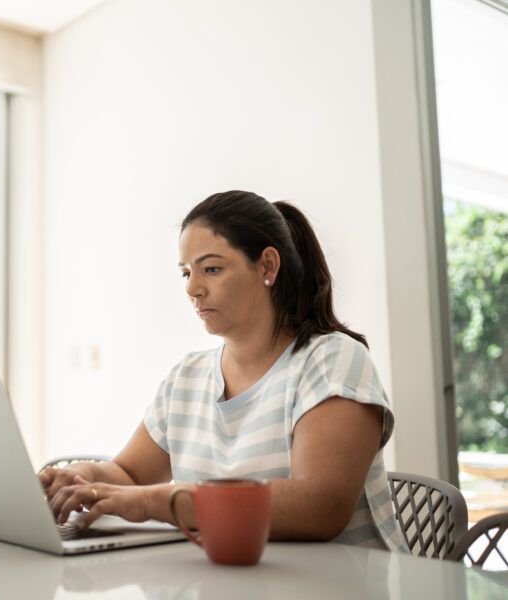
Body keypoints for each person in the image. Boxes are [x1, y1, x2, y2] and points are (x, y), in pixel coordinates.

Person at [39, 190, 404, 551]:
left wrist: (159, 501)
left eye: (211, 269)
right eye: (186, 273)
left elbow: (319, 508)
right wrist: (85, 477)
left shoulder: (333, 361)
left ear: (267, 266)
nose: (193, 289)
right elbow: (131, 476)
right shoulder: (186, 378)